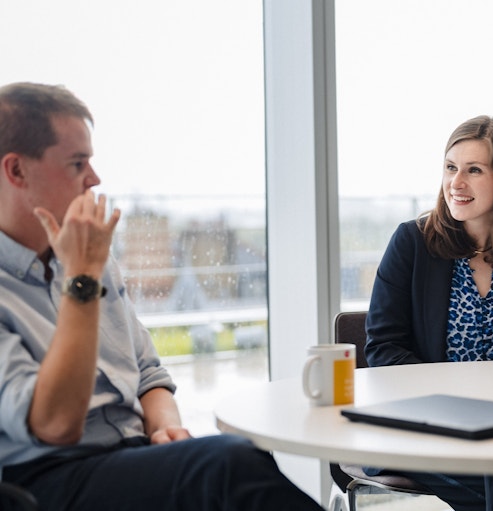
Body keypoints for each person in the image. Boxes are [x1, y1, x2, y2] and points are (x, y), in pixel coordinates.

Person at [0, 82, 322, 510]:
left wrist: (164, 427)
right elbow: (54, 426)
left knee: (236, 458)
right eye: (78, 164)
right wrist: (82, 279)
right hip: (45, 479)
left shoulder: (90, 260)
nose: (94, 179)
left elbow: (148, 374)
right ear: (17, 171)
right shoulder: (84, 266)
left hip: (130, 454)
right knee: (226, 466)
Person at [363, 115, 493, 510]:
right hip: (418, 425)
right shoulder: (412, 243)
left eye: (474, 170)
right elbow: (383, 348)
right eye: (451, 168)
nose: (456, 182)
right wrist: (456, 404)